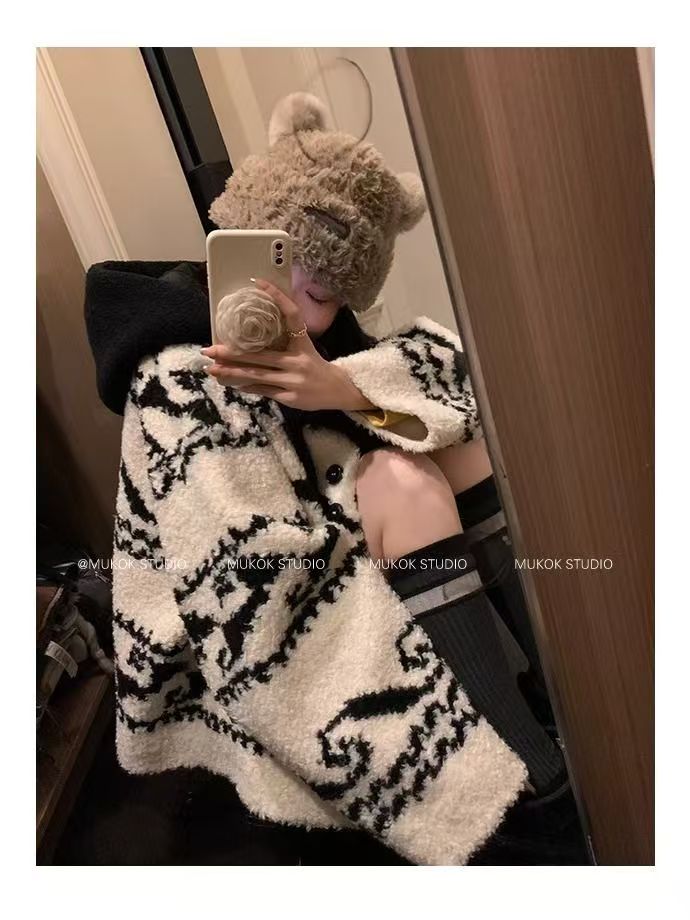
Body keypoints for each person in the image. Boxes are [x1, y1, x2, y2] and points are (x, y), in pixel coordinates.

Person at [85, 92, 585, 865]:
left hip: (310, 519)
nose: (292, 300)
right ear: (239, 238)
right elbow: (240, 575)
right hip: (227, 603)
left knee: (463, 455)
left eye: (323, 295)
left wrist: (340, 389)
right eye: (280, 264)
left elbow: (450, 389)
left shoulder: (326, 342)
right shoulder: (176, 374)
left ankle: (569, 706)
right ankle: (537, 785)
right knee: (405, 486)